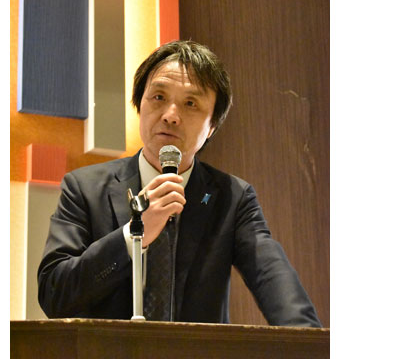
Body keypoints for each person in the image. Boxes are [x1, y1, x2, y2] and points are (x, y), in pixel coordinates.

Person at [38, 40, 321, 327]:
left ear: (212, 127)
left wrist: (309, 341)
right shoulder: (84, 188)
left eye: (190, 103)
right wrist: (134, 235)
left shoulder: (232, 198)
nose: (171, 116)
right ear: (139, 105)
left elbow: (273, 277)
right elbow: (54, 294)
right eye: (158, 97)